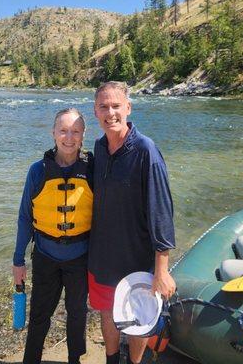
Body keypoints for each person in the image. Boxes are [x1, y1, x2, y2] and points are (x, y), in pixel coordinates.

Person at [88, 81, 176, 364]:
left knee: (138, 317)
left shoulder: (146, 151)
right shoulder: (99, 149)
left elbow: (161, 211)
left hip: (138, 258)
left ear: (128, 108)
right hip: (102, 256)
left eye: (116, 106)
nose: (110, 112)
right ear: (95, 111)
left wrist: (162, 269)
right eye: (103, 106)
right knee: (107, 313)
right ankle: (112, 359)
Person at [13, 108, 93, 364]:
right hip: (45, 255)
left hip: (80, 256)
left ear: (83, 135)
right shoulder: (37, 171)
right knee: (39, 314)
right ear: (53, 133)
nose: (69, 137)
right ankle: (31, 359)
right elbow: (25, 217)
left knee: (77, 313)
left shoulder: (93, 169)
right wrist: (18, 260)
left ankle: (74, 360)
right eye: (63, 130)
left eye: (75, 131)